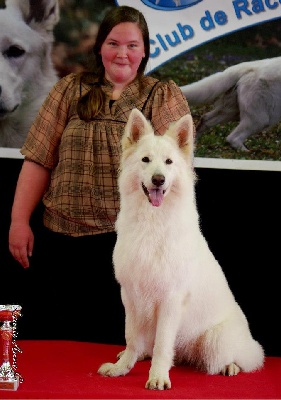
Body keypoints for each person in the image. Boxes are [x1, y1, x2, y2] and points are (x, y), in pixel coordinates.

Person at [8, 5, 192, 343]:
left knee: (114, 347)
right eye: (113, 43)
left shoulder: (161, 95)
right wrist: (19, 221)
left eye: (132, 45)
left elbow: (176, 173)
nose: (122, 53)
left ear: (145, 50)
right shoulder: (68, 90)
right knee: (63, 348)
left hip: (130, 248)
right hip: (61, 243)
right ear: (100, 48)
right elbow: (38, 160)